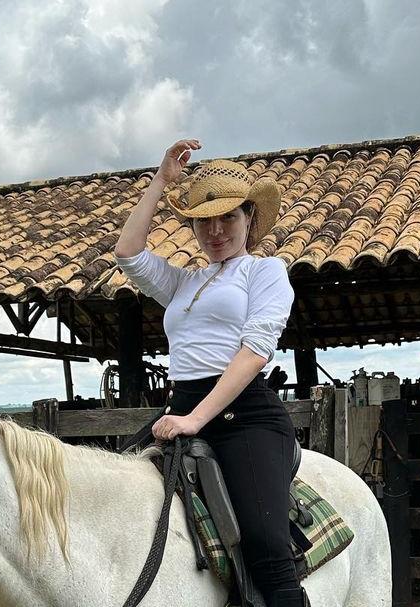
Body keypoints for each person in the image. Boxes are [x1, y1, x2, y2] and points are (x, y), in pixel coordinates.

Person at [113, 139, 306, 607]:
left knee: (265, 545)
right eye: (204, 219)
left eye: (228, 217)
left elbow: (255, 351)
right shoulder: (185, 281)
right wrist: (160, 182)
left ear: (250, 220)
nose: (215, 230)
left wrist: (196, 419)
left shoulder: (265, 272)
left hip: (246, 417)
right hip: (180, 409)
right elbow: (127, 252)